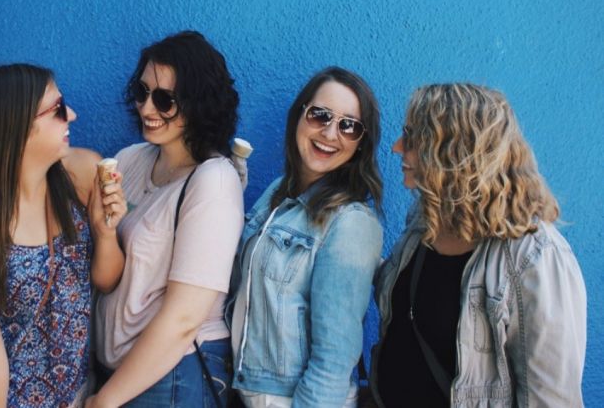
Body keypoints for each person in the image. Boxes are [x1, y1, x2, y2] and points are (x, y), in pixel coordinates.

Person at [370, 83, 586, 407]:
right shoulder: (424, 221)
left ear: (455, 152)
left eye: (413, 138)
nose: (397, 148)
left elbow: (552, 399)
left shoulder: (535, 256)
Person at [0, 64, 125, 407]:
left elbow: (106, 280)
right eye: (57, 109)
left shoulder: (83, 174)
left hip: (72, 395)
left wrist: (105, 232)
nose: (71, 114)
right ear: (17, 126)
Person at [88, 31, 243, 408]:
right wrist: (103, 233)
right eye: (142, 92)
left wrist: (104, 401)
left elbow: (184, 317)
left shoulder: (213, 180)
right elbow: (107, 279)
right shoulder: (129, 161)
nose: (146, 108)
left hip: (172, 378)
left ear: (199, 104)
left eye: (164, 100)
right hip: (120, 376)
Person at [227, 67, 383, 407]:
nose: (330, 133)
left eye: (349, 125)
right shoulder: (275, 195)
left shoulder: (351, 222)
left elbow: (334, 359)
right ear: (299, 115)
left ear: (360, 143)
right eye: (320, 115)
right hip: (246, 392)